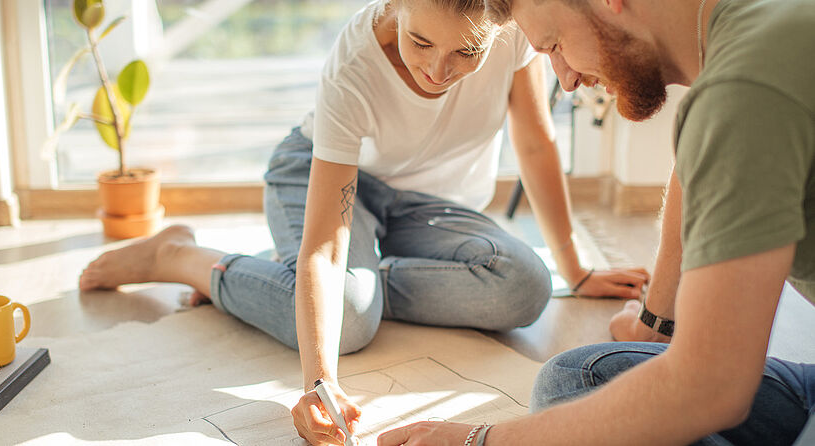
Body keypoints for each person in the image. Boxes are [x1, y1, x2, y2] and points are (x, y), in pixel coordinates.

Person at [80, 0, 648, 444]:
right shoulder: (354, 64)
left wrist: (574, 269)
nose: (436, 68)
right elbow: (327, 247)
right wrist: (317, 383)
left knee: (526, 287)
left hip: (422, 205)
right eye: (420, 40)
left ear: (499, 28)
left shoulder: (518, 34)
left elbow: (535, 141)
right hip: (319, 174)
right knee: (348, 321)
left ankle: (345, 278)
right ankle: (179, 257)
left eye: (466, 52)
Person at [377, 0, 815, 444]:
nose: (566, 81)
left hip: (726, 388)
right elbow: (698, 170)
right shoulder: (742, 31)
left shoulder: (743, 90)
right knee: (572, 382)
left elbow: (710, 386)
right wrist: (656, 323)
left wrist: (479, 441)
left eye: (556, 45)